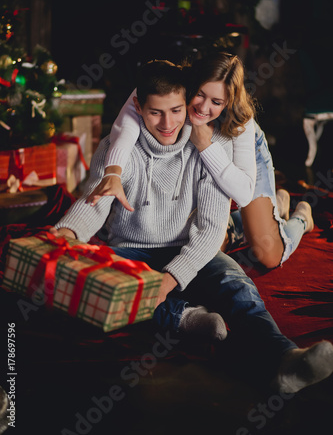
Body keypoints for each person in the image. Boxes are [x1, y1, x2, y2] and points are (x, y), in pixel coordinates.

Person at [53, 59, 333, 394]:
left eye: (176, 110)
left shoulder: (212, 143)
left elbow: (212, 229)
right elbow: (94, 204)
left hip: (188, 247)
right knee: (103, 291)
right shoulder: (119, 147)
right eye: (156, 112)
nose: (167, 123)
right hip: (129, 251)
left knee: (236, 283)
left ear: (186, 103)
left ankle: (286, 358)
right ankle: (185, 318)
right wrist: (65, 235)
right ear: (138, 107)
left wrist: (169, 279)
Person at [86, 52, 314, 270]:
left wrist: (205, 145)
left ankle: (302, 217)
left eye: (216, 101)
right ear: (192, 83)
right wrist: (113, 173)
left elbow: (243, 193)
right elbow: (126, 124)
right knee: (210, 245)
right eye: (200, 95)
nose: (203, 108)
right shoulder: (171, 82)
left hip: (241, 167)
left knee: (268, 254)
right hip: (210, 157)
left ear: (228, 102)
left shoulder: (240, 121)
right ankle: (253, 217)